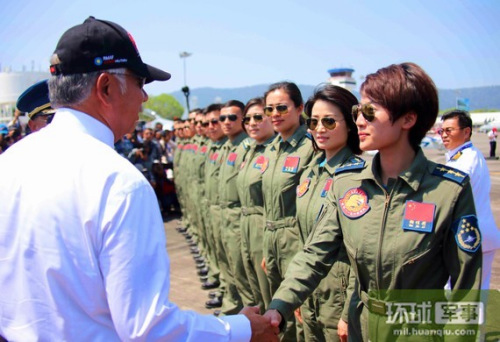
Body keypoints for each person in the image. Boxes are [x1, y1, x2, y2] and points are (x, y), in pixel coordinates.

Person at [0, 16, 278, 341]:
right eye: (140, 83)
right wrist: (241, 329)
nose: (144, 98)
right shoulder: (118, 183)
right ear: (106, 87)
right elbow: (149, 329)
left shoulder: (11, 163)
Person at [264, 63, 482, 341]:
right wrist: (279, 306)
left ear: (408, 119)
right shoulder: (347, 185)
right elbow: (314, 255)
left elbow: (466, 293)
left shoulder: (448, 191)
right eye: (357, 112)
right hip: (361, 327)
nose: (359, 121)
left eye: (370, 111)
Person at [296, 84, 362, 342]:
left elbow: (362, 256)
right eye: (313, 122)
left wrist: (348, 312)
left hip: (339, 291)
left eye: (329, 121)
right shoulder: (311, 173)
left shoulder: (358, 177)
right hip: (312, 287)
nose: (319, 129)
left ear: (350, 124)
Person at [261, 81, 316, 341]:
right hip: (271, 240)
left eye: (282, 107)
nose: (275, 114)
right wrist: (266, 248)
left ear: (300, 108)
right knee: (278, 314)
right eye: (269, 108)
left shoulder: (311, 148)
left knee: (303, 314)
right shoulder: (272, 148)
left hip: (297, 243)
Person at [440, 110, 500, 289]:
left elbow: (448, 198)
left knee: (462, 299)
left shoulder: (465, 161)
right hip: (476, 236)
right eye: (442, 131)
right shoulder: (467, 156)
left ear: (466, 132)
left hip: (469, 239)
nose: (444, 135)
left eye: (449, 130)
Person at [237, 97, 276, 313]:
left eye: (259, 117)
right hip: (246, 227)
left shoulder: (276, 152)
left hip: (264, 228)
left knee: (269, 292)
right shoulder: (251, 150)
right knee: (255, 291)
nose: (252, 123)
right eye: (248, 118)